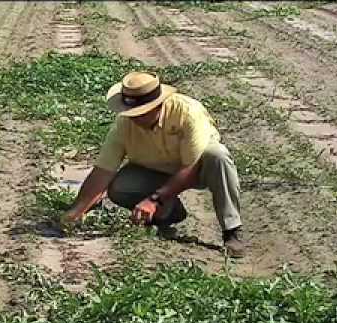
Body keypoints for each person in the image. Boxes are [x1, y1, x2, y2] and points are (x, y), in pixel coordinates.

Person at [60, 71, 245, 257]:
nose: (135, 118)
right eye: (131, 113)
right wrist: (76, 211)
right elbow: (103, 171)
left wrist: (155, 199)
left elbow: (191, 166)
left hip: (197, 167)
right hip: (155, 170)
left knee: (218, 155)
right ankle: (168, 214)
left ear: (158, 105)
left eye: (141, 113)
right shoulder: (124, 124)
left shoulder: (188, 113)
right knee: (119, 187)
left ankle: (232, 230)